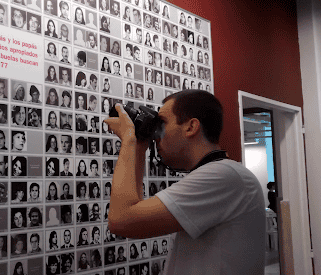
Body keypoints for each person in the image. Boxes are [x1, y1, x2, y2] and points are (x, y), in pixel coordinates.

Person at [105, 90, 266, 274]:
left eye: (162, 123)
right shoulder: (223, 175)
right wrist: (140, 147)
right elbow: (132, 212)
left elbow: (121, 221)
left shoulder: (223, 175)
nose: (157, 134)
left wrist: (129, 140)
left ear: (191, 127)